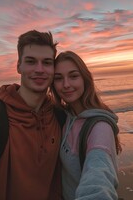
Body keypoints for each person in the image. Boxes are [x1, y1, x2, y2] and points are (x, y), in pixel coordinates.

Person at [0, 30, 62, 200]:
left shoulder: (59, 115)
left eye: (47, 62)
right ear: (19, 66)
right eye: (31, 61)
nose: (40, 70)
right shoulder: (2, 116)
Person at [51, 51, 122, 200]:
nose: (66, 84)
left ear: (85, 78)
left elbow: (98, 176)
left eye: (73, 76)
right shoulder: (66, 116)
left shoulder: (99, 128)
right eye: (58, 78)